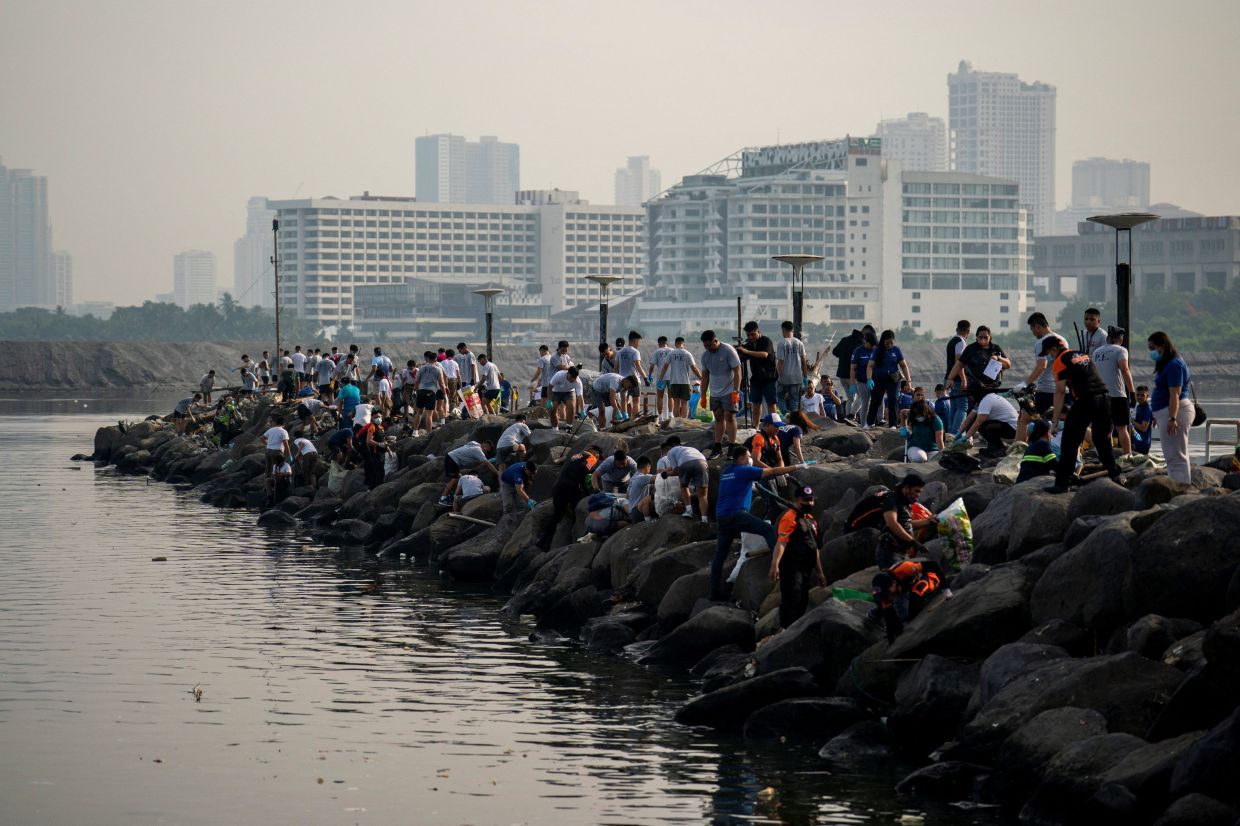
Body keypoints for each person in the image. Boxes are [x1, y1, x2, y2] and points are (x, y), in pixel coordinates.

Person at [710, 444, 805, 600]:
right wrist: (797, 466)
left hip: (722, 517)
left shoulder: (727, 471)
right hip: (737, 515)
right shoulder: (744, 470)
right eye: (748, 457)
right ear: (741, 459)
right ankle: (782, 567)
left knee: (720, 556)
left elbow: (739, 486)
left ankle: (713, 594)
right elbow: (773, 472)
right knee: (768, 531)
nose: (750, 460)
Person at [1043, 335, 1121, 493]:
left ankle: (1062, 484)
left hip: (1086, 400)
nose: (1049, 357)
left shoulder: (1060, 361)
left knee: (1070, 442)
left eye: (1048, 353)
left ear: (1053, 349)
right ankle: (1115, 476)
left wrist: (1055, 422)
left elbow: (1059, 392)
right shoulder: (1081, 354)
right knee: (1102, 439)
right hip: (1105, 398)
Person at [770, 485, 828, 629]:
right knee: (791, 601)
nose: (809, 503)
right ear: (797, 500)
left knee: (803, 601)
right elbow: (781, 542)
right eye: (805, 500)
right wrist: (774, 565)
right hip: (791, 567)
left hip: (806, 569)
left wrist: (820, 573)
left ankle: (796, 632)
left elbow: (814, 548)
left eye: (811, 500)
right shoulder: (789, 518)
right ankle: (784, 632)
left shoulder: (810, 520)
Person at [1147, 331, 1195, 484]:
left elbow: (1174, 394)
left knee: (1176, 454)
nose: (1152, 352)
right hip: (1166, 412)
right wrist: (1158, 415)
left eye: (1152, 348)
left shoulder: (1175, 364)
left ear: (1162, 346)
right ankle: (1177, 484)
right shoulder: (1168, 363)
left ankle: (1181, 487)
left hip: (1176, 411)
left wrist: (1172, 418)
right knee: (1171, 453)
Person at [538, 444, 600, 549]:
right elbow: (584, 471)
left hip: (560, 485)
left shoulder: (576, 455)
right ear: (595, 452)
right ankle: (579, 539)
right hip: (571, 487)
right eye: (598, 456)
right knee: (580, 510)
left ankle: (543, 540)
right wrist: (586, 489)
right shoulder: (592, 457)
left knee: (557, 514)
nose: (597, 459)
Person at [871, 557, 946, 643]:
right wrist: (894, 633)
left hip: (929, 575)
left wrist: (945, 588)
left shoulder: (906, 569)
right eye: (885, 594)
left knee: (917, 593)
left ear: (894, 583)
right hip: (909, 586)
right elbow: (889, 615)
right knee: (905, 617)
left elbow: (933, 565)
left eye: (888, 592)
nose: (888, 596)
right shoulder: (880, 593)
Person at [1091, 327, 1137, 456]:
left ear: (1107, 338)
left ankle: (1107, 455)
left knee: (1106, 428)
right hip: (1117, 395)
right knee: (1122, 428)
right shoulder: (1121, 350)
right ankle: (1128, 455)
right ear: (1121, 340)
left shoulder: (1097, 352)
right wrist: (1132, 392)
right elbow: (1124, 369)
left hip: (1100, 396)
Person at [876, 473, 936, 569]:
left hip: (902, 552)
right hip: (889, 552)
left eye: (920, 492)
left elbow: (906, 524)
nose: (918, 495)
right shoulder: (891, 500)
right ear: (907, 488)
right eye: (916, 491)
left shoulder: (905, 503)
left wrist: (928, 521)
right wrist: (913, 542)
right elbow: (892, 523)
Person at [700, 329, 742, 459]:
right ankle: (717, 447)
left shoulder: (728, 350)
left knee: (729, 416)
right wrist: (703, 395)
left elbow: (737, 371)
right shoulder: (705, 356)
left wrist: (736, 391)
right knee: (718, 418)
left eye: (710, 345)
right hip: (715, 392)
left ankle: (732, 446)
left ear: (715, 340)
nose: (708, 348)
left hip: (729, 391)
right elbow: (705, 376)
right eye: (705, 345)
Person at [1020, 312, 1062, 434]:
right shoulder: (1062, 339)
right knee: (1068, 421)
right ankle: (1096, 445)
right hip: (1062, 389)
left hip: (1046, 390)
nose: (1033, 333)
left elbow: (1041, 366)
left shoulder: (1042, 342)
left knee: (1024, 419)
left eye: (1032, 329)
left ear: (1037, 326)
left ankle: (1019, 450)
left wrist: (1025, 383)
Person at [947, 325, 1011, 401]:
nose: (983, 339)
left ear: (990, 337)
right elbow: (959, 364)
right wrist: (950, 378)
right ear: (977, 337)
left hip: (992, 386)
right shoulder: (971, 349)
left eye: (985, 337)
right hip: (975, 386)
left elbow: (1008, 364)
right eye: (980, 337)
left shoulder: (995, 348)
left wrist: (998, 357)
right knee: (973, 409)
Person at [866, 330, 911, 428]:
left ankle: (893, 424)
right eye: (887, 343)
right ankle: (869, 423)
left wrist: (908, 381)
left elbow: (903, 366)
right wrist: (869, 379)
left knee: (892, 400)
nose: (889, 345)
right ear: (883, 341)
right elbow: (870, 366)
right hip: (878, 378)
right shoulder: (877, 350)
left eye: (891, 342)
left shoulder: (896, 350)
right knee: (875, 400)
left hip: (893, 379)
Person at [659, 437, 712, 522]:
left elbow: (676, 470)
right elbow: (688, 460)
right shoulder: (690, 449)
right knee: (703, 496)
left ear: (670, 446)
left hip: (686, 464)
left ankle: (689, 511)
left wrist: (667, 474)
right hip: (702, 463)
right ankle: (704, 519)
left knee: (684, 486)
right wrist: (666, 470)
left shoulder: (671, 452)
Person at [959, 388, 1019, 458]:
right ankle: (994, 446)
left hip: (1013, 428)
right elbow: (970, 418)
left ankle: (999, 448)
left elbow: (978, 422)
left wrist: (966, 437)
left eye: (970, 395)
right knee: (980, 423)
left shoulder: (986, 401)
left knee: (984, 426)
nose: (969, 398)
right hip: (1006, 425)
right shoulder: (983, 399)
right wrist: (960, 432)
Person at [737, 321, 778, 423]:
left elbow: (764, 354)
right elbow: (742, 359)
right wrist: (739, 351)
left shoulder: (766, 341)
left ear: (758, 331)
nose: (751, 337)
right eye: (748, 335)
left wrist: (746, 351)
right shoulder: (749, 344)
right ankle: (755, 426)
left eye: (753, 334)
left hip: (769, 377)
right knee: (755, 404)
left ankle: (775, 425)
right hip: (756, 378)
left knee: (771, 404)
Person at [439, 440, 497, 505]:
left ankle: (451, 496)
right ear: (485, 446)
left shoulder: (474, 443)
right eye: (487, 451)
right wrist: (497, 473)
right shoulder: (478, 450)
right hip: (453, 460)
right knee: (455, 478)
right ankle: (443, 498)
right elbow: (487, 464)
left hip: (451, 457)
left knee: (460, 477)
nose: (486, 454)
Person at [659, 337, 702, 420]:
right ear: (683, 344)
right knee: (684, 403)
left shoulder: (671, 353)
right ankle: (683, 422)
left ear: (675, 344)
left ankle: (676, 422)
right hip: (685, 382)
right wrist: (701, 378)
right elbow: (694, 368)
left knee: (676, 403)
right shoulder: (687, 353)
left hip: (674, 382)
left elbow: (665, 367)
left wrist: (661, 379)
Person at [832, 326, 868, 420]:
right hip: (853, 376)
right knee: (861, 397)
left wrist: (844, 355)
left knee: (850, 398)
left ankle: (848, 418)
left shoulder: (844, 340)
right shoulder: (861, 344)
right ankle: (851, 415)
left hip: (841, 374)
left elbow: (835, 352)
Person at [943, 320, 971, 433]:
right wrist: (964, 379)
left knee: (954, 406)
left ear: (957, 329)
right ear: (968, 331)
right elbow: (958, 362)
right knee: (962, 407)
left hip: (948, 377)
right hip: (957, 379)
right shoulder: (961, 342)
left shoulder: (951, 341)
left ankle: (950, 431)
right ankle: (955, 432)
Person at [775, 320, 808, 415]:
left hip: (784, 377)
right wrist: (805, 377)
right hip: (797, 377)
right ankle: (793, 420)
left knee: (779, 397)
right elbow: (803, 361)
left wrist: (777, 376)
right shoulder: (799, 343)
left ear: (783, 330)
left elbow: (780, 362)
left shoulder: (781, 343)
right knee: (794, 401)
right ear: (792, 330)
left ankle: (785, 414)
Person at [616, 331, 650, 419]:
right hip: (634, 380)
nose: (638, 344)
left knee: (624, 400)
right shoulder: (635, 352)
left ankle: (624, 418)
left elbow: (616, 368)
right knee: (636, 401)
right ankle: (635, 419)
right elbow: (638, 366)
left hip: (622, 380)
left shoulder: (620, 352)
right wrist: (645, 377)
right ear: (634, 340)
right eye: (638, 341)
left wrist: (616, 379)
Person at [849, 331, 878, 426]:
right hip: (862, 381)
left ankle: (877, 421)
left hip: (876, 381)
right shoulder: (858, 350)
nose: (872, 347)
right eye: (870, 344)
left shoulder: (876, 350)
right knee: (865, 404)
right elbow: (853, 368)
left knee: (878, 402)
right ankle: (863, 425)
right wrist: (852, 384)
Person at [413, 351, 446, 435]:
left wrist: (415, 391)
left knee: (419, 412)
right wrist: (444, 392)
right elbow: (441, 383)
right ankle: (429, 434)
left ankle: (415, 432)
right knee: (429, 414)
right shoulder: (438, 369)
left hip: (421, 391)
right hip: (431, 392)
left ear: (428, 358)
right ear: (435, 359)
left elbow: (417, 381)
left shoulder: (421, 368)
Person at [262, 414, 291, 505]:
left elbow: (262, 439)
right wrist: (289, 454)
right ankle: (275, 487)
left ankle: (267, 487)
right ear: (283, 423)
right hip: (277, 452)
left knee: (268, 468)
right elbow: (285, 443)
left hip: (268, 451)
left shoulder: (270, 430)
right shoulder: (283, 431)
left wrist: (268, 444)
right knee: (276, 468)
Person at [551, 365, 584, 430]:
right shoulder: (559, 375)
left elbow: (580, 396)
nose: (572, 379)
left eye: (574, 378)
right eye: (571, 377)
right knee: (553, 409)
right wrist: (549, 400)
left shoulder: (578, 382)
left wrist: (582, 410)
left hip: (569, 392)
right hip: (556, 391)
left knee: (571, 407)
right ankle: (555, 428)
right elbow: (549, 387)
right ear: (567, 373)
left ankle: (569, 427)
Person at [626, 457, 656, 521]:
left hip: (632, 512)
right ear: (647, 466)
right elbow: (658, 478)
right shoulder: (641, 477)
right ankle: (648, 522)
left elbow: (627, 495)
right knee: (648, 499)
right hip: (636, 512)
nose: (650, 469)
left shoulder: (633, 478)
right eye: (650, 467)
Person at [650, 336, 673, 418]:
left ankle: (660, 416)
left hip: (661, 377)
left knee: (660, 397)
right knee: (671, 397)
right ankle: (671, 415)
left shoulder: (657, 352)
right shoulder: (672, 351)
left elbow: (652, 365)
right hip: (672, 377)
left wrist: (649, 374)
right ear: (667, 343)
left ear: (659, 343)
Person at [1132, 385, 1154, 456]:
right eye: (1137, 395)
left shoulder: (1147, 409)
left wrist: (1131, 421)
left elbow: (1143, 428)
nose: (1139, 397)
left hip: (1143, 445)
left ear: (1147, 396)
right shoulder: (1138, 407)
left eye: (1142, 395)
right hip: (1137, 442)